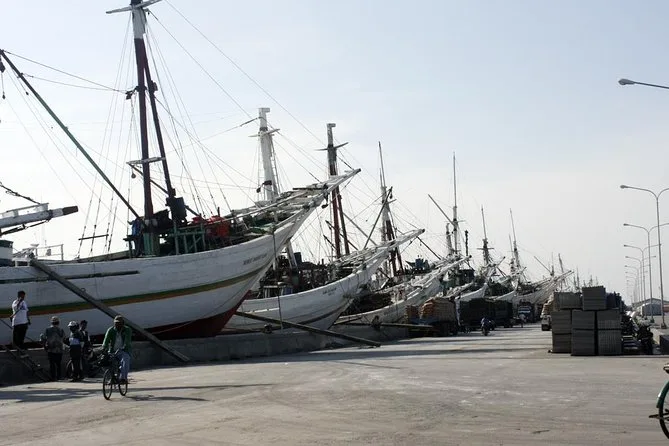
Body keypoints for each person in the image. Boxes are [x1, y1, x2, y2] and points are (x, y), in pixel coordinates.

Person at [102, 315, 132, 384]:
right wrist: (104, 347)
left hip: (123, 351)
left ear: (123, 323)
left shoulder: (127, 330)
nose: (117, 325)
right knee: (103, 361)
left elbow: (127, 341)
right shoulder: (110, 330)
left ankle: (123, 378)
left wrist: (123, 347)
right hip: (112, 351)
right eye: (116, 323)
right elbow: (106, 340)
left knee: (125, 360)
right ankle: (110, 378)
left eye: (119, 323)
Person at [40, 316, 65, 381]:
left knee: (52, 364)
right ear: (58, 322)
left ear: (51, 322)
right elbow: (64, 338)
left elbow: (43, 338)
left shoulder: (47, 330)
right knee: (58, 364)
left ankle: (53, 377)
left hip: (51, 349)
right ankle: (59, 377)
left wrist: (45, 346)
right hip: (59, 350)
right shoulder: (61, 330)